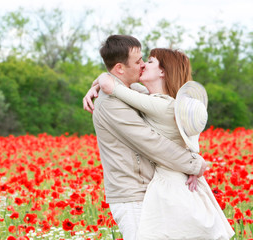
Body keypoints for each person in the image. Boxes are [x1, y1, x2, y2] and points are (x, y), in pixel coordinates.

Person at [91, 48, 235, 239]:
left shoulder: (163, 106)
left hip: (170, 184)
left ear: (162, 71)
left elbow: (117, 89)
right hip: (172, 180)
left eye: (149, 61)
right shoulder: (163, 102)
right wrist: (99, 82)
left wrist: (104, 82)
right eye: (141, 60)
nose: (143, 64)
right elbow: (127, 88)